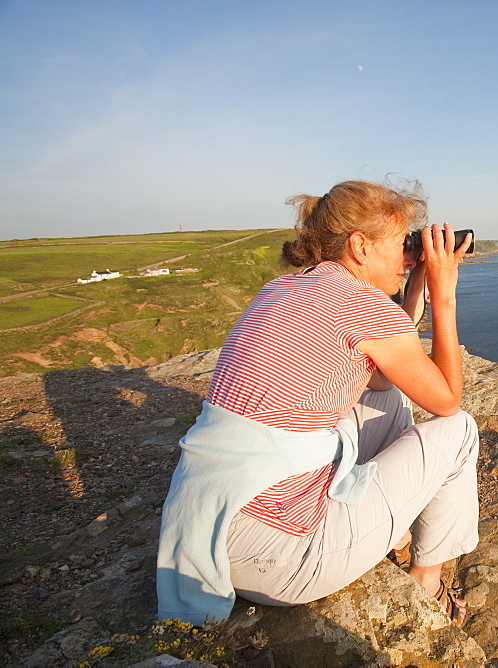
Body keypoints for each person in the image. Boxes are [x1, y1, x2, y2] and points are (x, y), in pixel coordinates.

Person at [156, 180, 479, 628]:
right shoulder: (363, 307)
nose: (409, 255)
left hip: (211, 533)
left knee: (386, 401)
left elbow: (385, 375)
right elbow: (446, 400)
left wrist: (416, 281)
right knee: (458, 430)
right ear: (360, 246)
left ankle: (392, 527)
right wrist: (443, 294)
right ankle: (426, 578)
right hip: (286, 562)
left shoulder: (285, 288)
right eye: (403, 244)